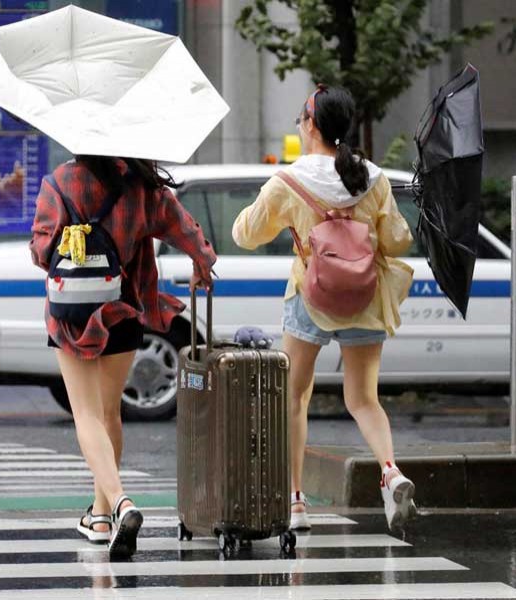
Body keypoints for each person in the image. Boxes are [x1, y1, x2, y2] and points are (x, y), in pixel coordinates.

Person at [232, 85, 416, 531]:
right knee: (364, 399)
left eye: (300, 118)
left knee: (294, 397)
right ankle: (390, 472)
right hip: (365, 297)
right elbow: (398, 240)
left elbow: (246, 235)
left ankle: (296, 501)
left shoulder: (290, 182)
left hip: (309, 300)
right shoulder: (372, 179)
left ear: (312, 126)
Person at [30, 156, 217, 558]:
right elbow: (184, 228)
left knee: (86, 414)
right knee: (110, 413)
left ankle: (118, 502)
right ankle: (99, 517)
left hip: (72, 314)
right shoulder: (143, 185)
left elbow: (42, 250)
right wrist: (202, 263)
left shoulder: (59, 182)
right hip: (124, 306)